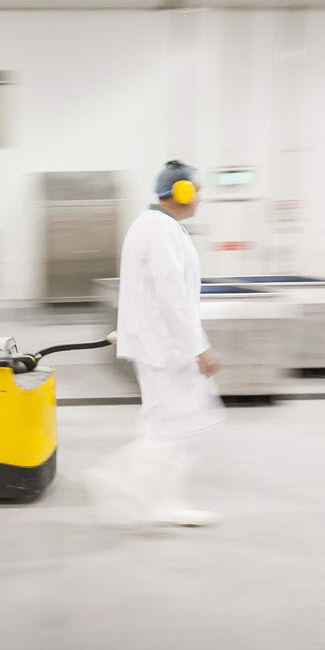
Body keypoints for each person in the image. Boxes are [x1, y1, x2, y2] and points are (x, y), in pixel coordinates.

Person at [84, 160, 224, 527]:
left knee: (169, 423)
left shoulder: (155, 226)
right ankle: (119, 479)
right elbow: (171, 295)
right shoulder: (160, 230)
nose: (201, 198)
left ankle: (163, 502)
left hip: (160, 345)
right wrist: (199, 347)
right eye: (198, 189)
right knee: (180, 424)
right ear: (182, 191)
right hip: (167, 348)